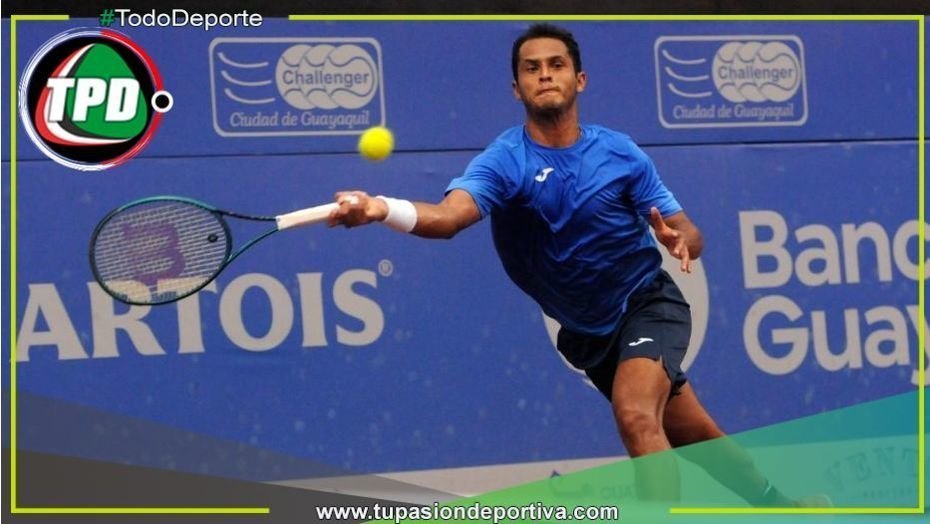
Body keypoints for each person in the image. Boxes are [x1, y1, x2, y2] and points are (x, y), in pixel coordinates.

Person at [328, 23, 817, 507]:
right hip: (588, 332)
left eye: (557, 65)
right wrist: (380, 208)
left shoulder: (619, 154)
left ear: (579, 80)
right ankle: (779, 507)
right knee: (690, 430)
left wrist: (678, 241)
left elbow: (689, 231)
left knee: (636, 416)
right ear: (515, 87)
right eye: (531, 68)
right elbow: (450, 217)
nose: (545, 75)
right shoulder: (505, 160)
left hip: (647, 302)